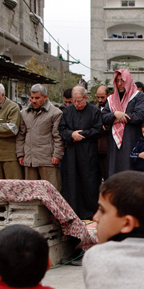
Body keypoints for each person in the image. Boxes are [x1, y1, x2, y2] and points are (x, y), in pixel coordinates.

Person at [57, 86, 103, 220]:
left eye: (79, 101)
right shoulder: (68, 110)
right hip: (72, 151)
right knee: (72, 181)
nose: (76, 104)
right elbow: (62, 128)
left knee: (89, 182)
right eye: (74, 101)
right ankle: (73, 212)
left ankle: (90, 212)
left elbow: (98, 130)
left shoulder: (94, 111)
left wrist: (82, 134)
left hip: (88, 151)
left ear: (86, 98)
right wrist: (71, 134)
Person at [16, 84, 64, 191]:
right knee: (30, 191)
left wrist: (57, 155)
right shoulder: (24, 113)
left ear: (45, 97)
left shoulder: (55, 113)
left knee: (51, 191)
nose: (34, 101)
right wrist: (20, 154)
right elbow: (21, 135)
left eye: (37, 98)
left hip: (48, 159)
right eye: (32, 98)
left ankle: (52, 209)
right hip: (29, 159)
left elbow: (58, 137)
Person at [101, 69, 144, 177]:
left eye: (122, 81)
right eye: (117, 81)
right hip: (114, 144)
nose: (120, 84)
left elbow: (141, 115)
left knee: (130, 171)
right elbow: (103, 117)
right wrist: (115, 115)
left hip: (132, 139)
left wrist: (121, 117)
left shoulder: (138, 97)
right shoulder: (111, 99)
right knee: (114, 171)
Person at [95, 85, 110, 181]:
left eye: (102, 97)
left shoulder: (112, 108)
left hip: (108, 149)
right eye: (98, 97)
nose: (100, 100)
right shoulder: (94, 109)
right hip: (95, 150)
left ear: (108, 96)